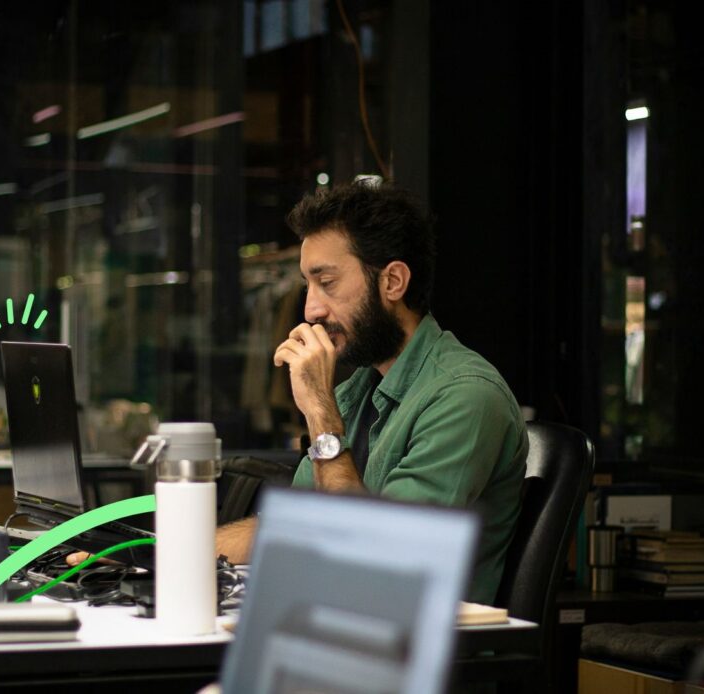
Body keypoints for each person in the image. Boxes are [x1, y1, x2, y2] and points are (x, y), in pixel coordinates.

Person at [216, 182, 527, 605]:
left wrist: (320, 416)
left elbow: (377, 554)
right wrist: (166, 560)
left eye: (327, 282)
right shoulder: (358, 389)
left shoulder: (466, 397)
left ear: (393, 281)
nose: (311, 310)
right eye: (308, 286)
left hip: (423, 658)